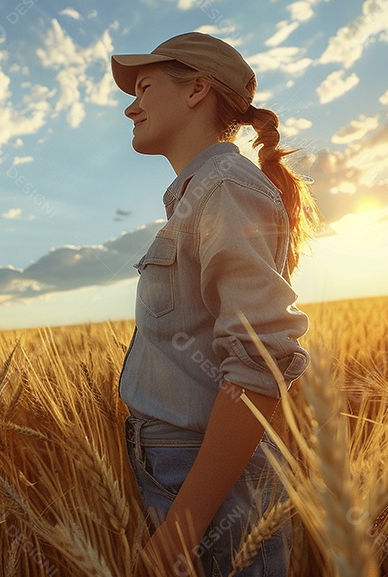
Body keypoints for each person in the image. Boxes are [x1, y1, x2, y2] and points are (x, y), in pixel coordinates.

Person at [111, 32, 323, 576]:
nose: (131, 105)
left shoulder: (225, 188)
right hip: (179, 466)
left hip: (204, 474)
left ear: (196, 90)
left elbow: (262, 361)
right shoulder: (202, 192)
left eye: (145, 86)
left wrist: (179, 532)